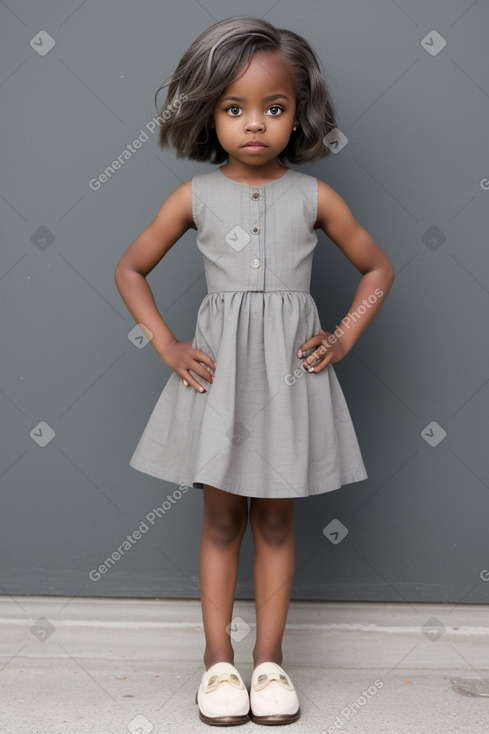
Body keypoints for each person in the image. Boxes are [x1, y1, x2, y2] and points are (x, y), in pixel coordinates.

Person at [114, 16, 394, 726]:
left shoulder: (314, 198)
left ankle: (268, 662)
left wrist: (343, 336)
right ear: (210, 111)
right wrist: (169, 346)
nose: (255, 124)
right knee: (218, 522)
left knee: (274, 522)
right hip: (221, 384)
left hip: (290, 384)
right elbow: (130, 268)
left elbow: (376, 268)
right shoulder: (195, 198)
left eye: (274, 107)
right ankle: (217, 664)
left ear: (298, 112)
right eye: (235, 108)